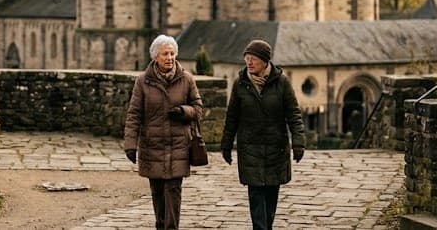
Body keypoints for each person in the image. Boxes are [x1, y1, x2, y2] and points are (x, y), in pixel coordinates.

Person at [220, 39, 305, 230]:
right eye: (247, 59)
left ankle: (266, 226)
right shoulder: (240, 83)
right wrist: (226, 144)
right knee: (256, 192)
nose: (249, 63)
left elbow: (293, 114)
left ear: (265, 61)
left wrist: (298, 142)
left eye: (253, 59)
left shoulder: (281, 83)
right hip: (250, 147)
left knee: (271, 193)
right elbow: (232, 116)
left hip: (276, 147)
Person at [124, 34, 204, 230]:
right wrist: (130, 145)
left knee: (173, 190)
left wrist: (184, 111)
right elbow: (134, 114)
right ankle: (160, 225)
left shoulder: (186, 79)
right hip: (153, 145)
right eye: (165, 54)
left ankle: (171, 228)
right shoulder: (143, 82)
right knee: (158, 192)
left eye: (172, 53)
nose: (169, 58)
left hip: (178, 145)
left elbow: (199, 109)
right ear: (155, 57)